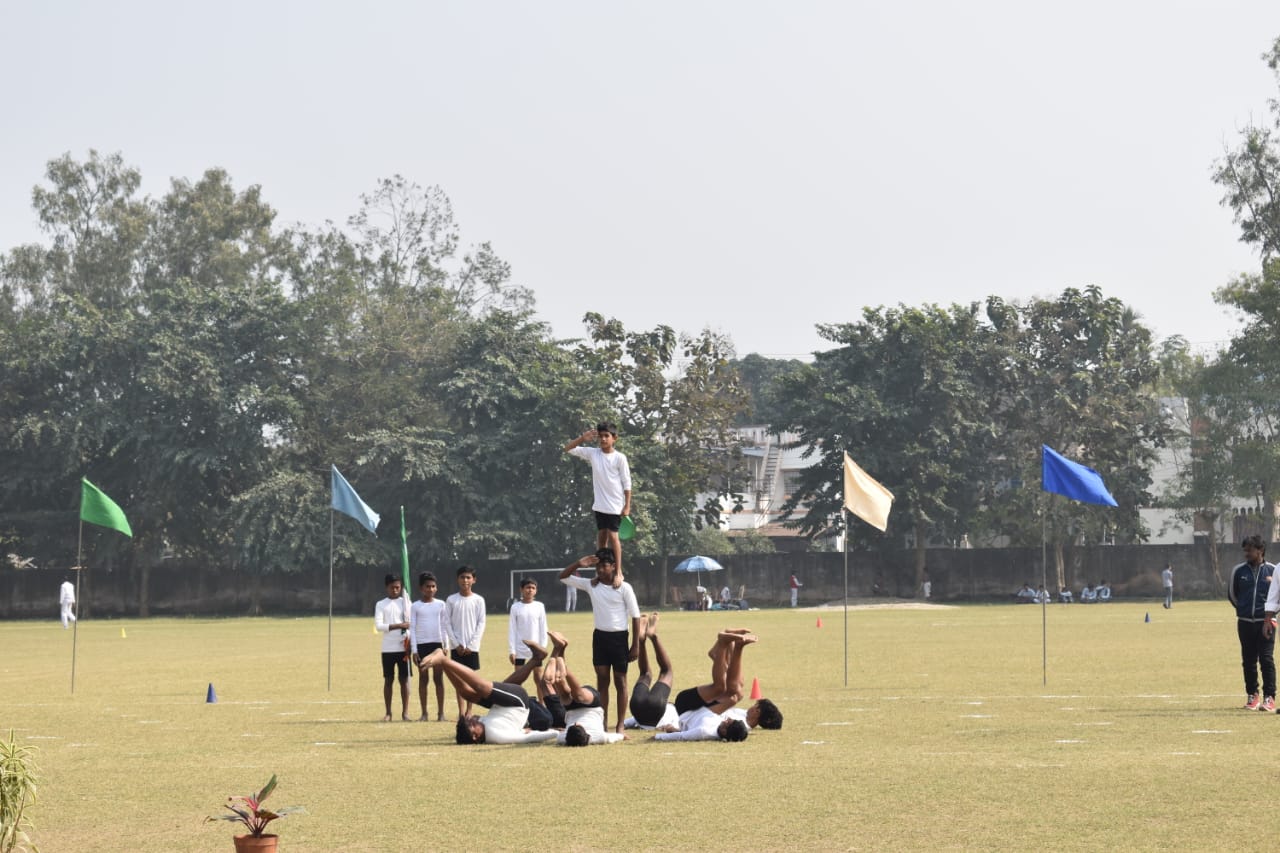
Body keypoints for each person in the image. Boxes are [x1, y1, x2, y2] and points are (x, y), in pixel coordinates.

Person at [559, 548, 641, 733]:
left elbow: (636, 616)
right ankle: (602, 725)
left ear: (613, 566)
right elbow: (563, 577)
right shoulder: (592, 585)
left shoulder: (624, 587)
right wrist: (579, 563)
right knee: (602, 682)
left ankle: (620, 725)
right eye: (598, 566)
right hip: (600, 638)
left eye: (604, 565)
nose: (600, 569)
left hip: (619, 638)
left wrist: (635, 645)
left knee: (620, 681)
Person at [418, 648, 562, 745]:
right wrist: (555, 733)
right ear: (475, 736)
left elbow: (521, 730)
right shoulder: (497, 736)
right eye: (472, 725)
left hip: (501, 704)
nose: (473, 720)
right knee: (481, 686)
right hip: (518, 703)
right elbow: (528, 738)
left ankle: (443, 663)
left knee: (467, 694)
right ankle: (444, 661)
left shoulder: (483, 727)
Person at [654, 630, 760, 743]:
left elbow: (682, 736)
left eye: (728, 722)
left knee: (720, 688)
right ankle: (736, 647)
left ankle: (723, 644)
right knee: (737, 693)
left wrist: (659, 736)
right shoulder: (721, 729)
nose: (727, 719)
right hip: (703, 709)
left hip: (686, 707)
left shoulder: (703, 731)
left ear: (725, 731)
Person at [564, 422, 632, 584]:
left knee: (613, 537)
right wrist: (583, 438)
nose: (603, 439)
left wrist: (627, 505)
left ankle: (619, 572)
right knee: (601, 537)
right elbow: (568, 448)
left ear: (614, 438)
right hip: (600, 505)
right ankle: (600, 572)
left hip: (615, 506)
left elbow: (627, 482)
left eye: (606, 436)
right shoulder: (593, 453)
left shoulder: (620, 458)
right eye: (600, 436)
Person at [538, 631, 625, 745]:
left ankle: (562, 657)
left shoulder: (600, 737)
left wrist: (621, 736)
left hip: (585, 706)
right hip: (586, 705)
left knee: (574, 696)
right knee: (569, 695)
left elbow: (618, 736)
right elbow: (555, 733)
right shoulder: (563, 738)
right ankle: (562, 669)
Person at [1238, 536, 1279, 712]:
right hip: (1245, 622)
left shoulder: (1273, 570)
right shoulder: (1239, 571)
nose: (1246, 553)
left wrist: (1268, 616)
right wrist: (1244, 609)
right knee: (1248, 660)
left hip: (1267, 622)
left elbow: (1276, 596)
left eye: (1249, 550)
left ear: (1260, 550)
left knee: (1266, 659)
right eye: (1245, 550)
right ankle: (1252, 695)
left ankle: (1269, 697)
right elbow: (1233, 594)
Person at [444, 565, 486, 720]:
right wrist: (456, 644)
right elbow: (447, 623)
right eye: (462, 577)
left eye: (468, 577)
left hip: (471, 648)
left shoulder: (479, 600)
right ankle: (461, 712)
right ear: (458, 579)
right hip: (457, 647)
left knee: (471, 680)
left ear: (474, 580)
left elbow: (481, 623)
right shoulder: (451, 600)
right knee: (459, 681)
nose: (465, 580)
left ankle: (469, 710)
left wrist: (472, 645)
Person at [410, 571, 448, 721]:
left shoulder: (441, 604)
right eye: (427, 586)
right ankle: (424, 713)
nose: (430, 589)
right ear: (421, 588)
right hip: (421, 645)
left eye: (433, 586)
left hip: (437, 645)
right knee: (423, 679)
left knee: (438, 678)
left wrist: (445, 645)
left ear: (436, 588)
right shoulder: (415, 606)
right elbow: (412, 628)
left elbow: (444, 626)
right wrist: (414, 650)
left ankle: (441, 714)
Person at [374, 574, 412, 722]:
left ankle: (405, 713)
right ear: (386, 587)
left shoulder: (406, 603)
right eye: (392, 587)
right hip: (388, 648)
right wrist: (399, 625)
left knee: (404, 680)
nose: (395, 590)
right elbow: (379, 626)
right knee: (388, 680)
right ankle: (388, 712)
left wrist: (409, 641)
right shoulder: (381, 604)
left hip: (404, 647)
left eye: (398, 587)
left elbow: (411, 623)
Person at [508, 577, 549, 702]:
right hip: (520, 648)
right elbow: (512, 629)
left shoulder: (539, 606)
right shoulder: (515, 607)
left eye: (533, 588)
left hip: (536, 649)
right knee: (518, 679)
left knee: (539, 678)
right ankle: (519, 705)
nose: (530, 590)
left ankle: (542, 704)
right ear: (521, 589)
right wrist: (512, 650)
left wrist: (542, 648)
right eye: (527, 587)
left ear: (536, 590)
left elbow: (543, 628)